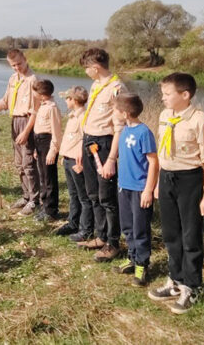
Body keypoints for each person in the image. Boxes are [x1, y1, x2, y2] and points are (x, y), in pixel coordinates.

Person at [148, 72, 204, 314]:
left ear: (185, 95)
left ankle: (192, 286)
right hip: (167, 178)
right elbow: (162, 153)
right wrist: (158, 182)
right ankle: (175, 280)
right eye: (162, 93)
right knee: (170, 233)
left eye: (167, 94)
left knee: (190, 235)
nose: (163, 98)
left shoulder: (199, 120)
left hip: (190, 180)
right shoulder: (165, 115)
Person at [76, 48, 127, 263]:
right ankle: (101, 235)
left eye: (87, 68)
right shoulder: (96, 85)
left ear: (95, 67)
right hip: (89, 141)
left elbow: (120, 127)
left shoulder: (117, 88)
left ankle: (113, 243)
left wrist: (112, 159)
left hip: (105, 144)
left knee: (107, 196)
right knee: (93, 193)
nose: (86, 72)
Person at [111, 92, 158, 285]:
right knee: (127, 226)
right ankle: (132, 258)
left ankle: (142, 264)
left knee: (140, 228)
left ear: (125, 113)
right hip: (124, 187)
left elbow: (153, 162)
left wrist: (148, 190)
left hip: (140, 189)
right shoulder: (124, 130)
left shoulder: (144, 132)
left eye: (115, 109)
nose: (113, 112)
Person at [0, 49, 41, 216]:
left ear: (25, 59)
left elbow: (35, 111)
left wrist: (26, 132)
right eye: (13, 65)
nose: (17, 68)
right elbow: (5, 102)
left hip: (27, 122)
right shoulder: (13, 79)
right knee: (19, 163)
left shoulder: (33, 80)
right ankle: (26, 195)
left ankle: (35, 200)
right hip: (15, 121)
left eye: (19, 64)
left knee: (28, 163)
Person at [55, 86, 93, 240]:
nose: (65, 101)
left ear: (74, 100)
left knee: (84, 197)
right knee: (73, 194)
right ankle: (73, 223)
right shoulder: (72, 116)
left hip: (77, 162)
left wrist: (82, 162)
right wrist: (64, 155)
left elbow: (86, 140)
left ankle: (86, 229)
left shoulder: (84, 117)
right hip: (68, 159)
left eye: (67, 98)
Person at [32, 79, 62, 224]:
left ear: (42, 94)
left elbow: (56, 131)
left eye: (36, 92)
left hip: (48, 142)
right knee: (43, 176)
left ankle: (51, 210)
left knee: (49, 177)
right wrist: (36, 149)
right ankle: (44, 205)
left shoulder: (52, 108)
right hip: (40, 142)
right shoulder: (43, 106)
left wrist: (53, 150)